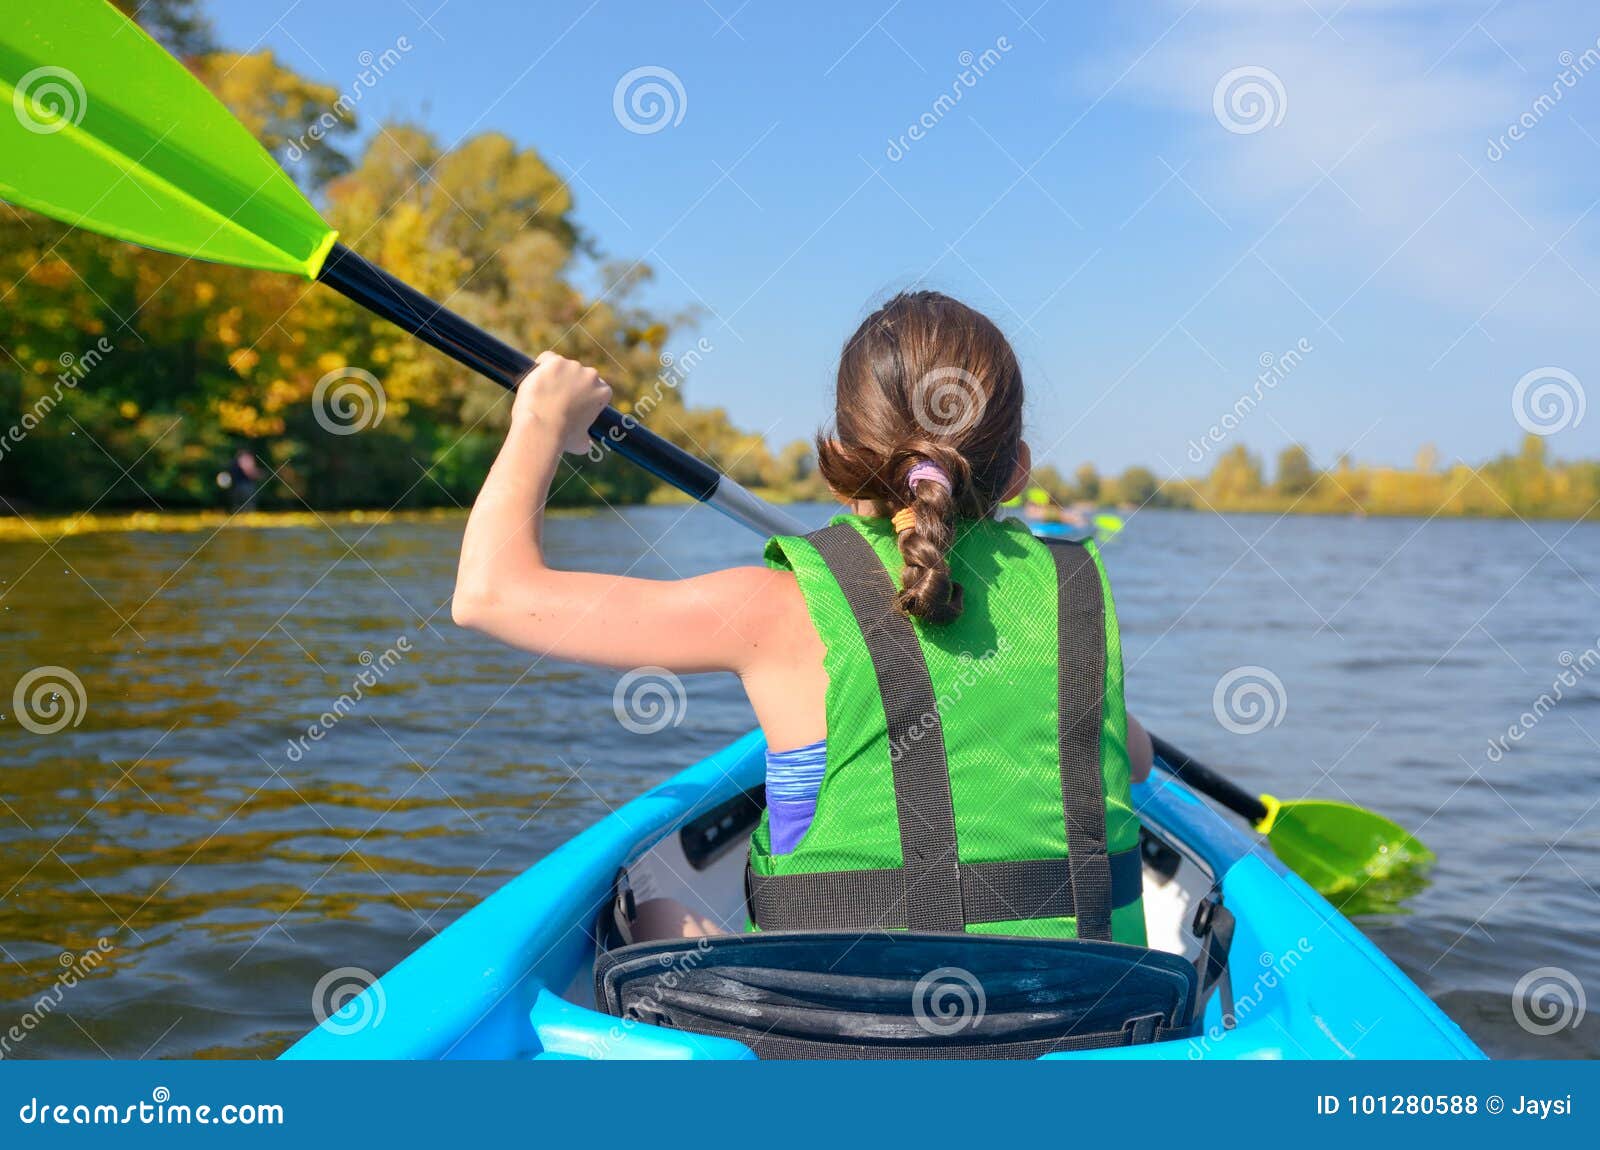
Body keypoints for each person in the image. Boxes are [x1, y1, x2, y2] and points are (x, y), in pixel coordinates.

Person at [453, 291, 1153, 943]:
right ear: (1018, 469)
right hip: (1091, 1027)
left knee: (657, 912)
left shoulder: (773, 606)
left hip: (833, 1043)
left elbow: (490, 593)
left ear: (840, 461)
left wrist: (541, 418)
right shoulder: (1076, 593)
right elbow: (1137, 758)